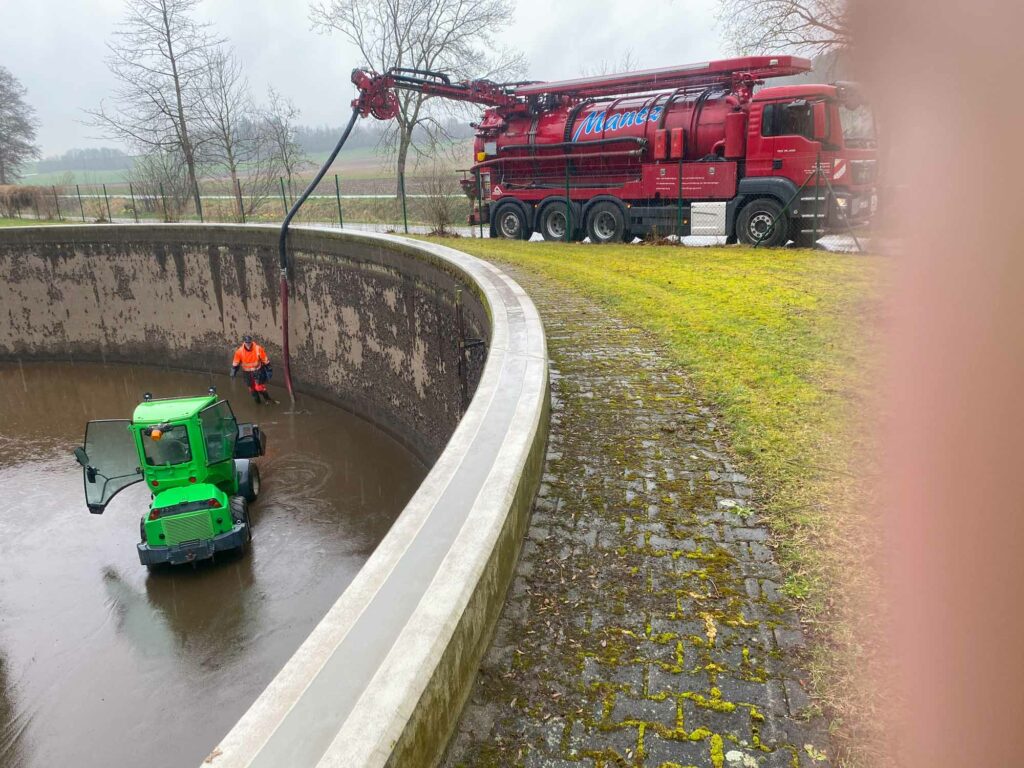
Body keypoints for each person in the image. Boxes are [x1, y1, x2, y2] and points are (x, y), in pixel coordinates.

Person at [230, 335, 274, 404]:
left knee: (259, 388)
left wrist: (269, 369)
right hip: (247, 373)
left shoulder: (258, 349)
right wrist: (233, 371)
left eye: (249, 342)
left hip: (258, 371)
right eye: (247, 342)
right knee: (252, 389)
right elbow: (235, 363)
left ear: (251, 341)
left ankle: (268, 399)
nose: (248, 344)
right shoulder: (239, 352)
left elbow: (265, 360)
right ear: (244, 342)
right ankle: (258, 402)